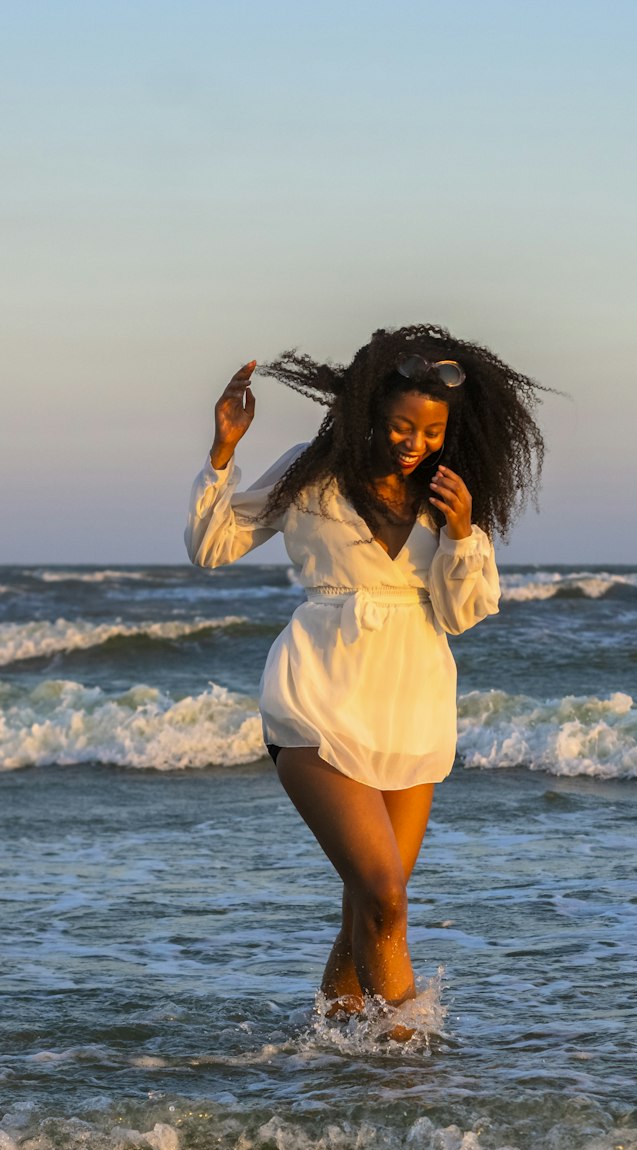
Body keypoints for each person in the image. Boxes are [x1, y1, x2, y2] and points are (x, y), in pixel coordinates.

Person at [185, 324, 546, 1038]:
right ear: (367, 412)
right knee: (385, 897)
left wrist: (464, 533)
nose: (416, 442)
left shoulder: (451, 498)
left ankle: (331, 1061)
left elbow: (462, 612)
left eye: (433, 430)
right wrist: (223, 452)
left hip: (410, 708)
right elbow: (213, 546)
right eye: (402, 424)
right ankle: (411, 1066)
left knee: (366, 904)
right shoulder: (310, 473)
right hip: (314, 697)